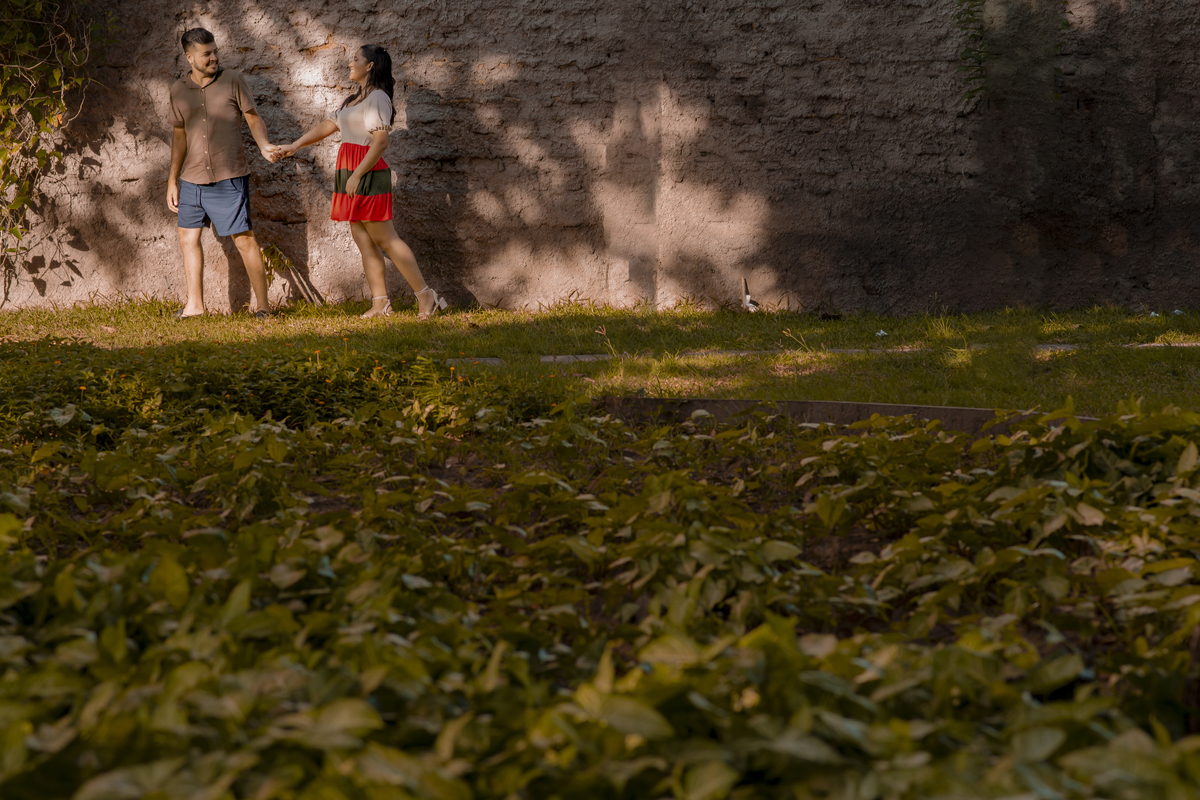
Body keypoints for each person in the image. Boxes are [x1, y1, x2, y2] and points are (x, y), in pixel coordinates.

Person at [278, 44, 446, 320]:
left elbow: (380, 142)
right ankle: (381, 303)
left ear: (370, 66)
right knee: (363, 239)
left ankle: (426, 296)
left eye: (355, 59)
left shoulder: (378, 98)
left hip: (366, 172)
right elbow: (328, 126)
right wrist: (295, 145)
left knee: (385, 238)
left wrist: (357, 174)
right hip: (349, 170)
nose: (349, 64)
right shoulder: (352, 101)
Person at [167, 27, 280, 319]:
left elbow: (253, 118)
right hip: (191, 180)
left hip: (228, 177)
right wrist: (172, 179)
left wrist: (264, 145)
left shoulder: (233, 80)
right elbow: (179, 136)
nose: (214, 57)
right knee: (186, 238)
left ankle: (263, 308)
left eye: (215, 51)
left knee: (243, 238)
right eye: (207, 54)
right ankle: (195, 306)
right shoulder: (178, 90)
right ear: (189, 57)